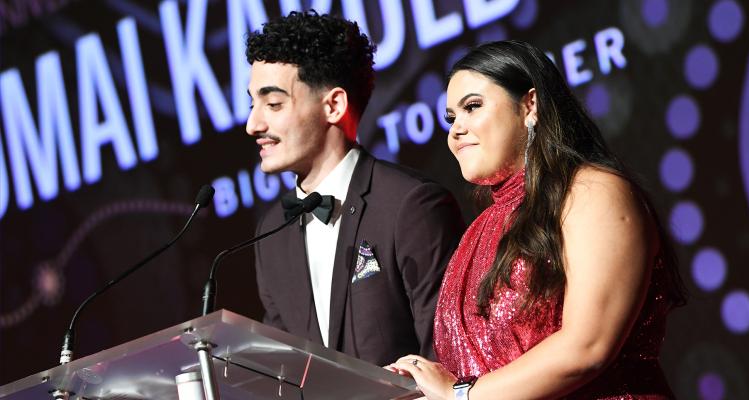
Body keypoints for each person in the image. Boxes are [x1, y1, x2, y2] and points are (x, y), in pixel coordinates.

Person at [389, 40, 687, 399]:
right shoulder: (482, 228)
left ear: (530, 105)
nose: (456, 130)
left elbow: (588, 346)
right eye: (452, 117)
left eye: (473, 107)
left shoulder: (593, 191)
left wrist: (460, 393)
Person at [245, 11, 465, 366]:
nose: (252, 124)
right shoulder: (271, 233)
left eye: (273, 104)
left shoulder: (410, 205)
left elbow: (447, 357)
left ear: (333, 105)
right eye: (251, 104)